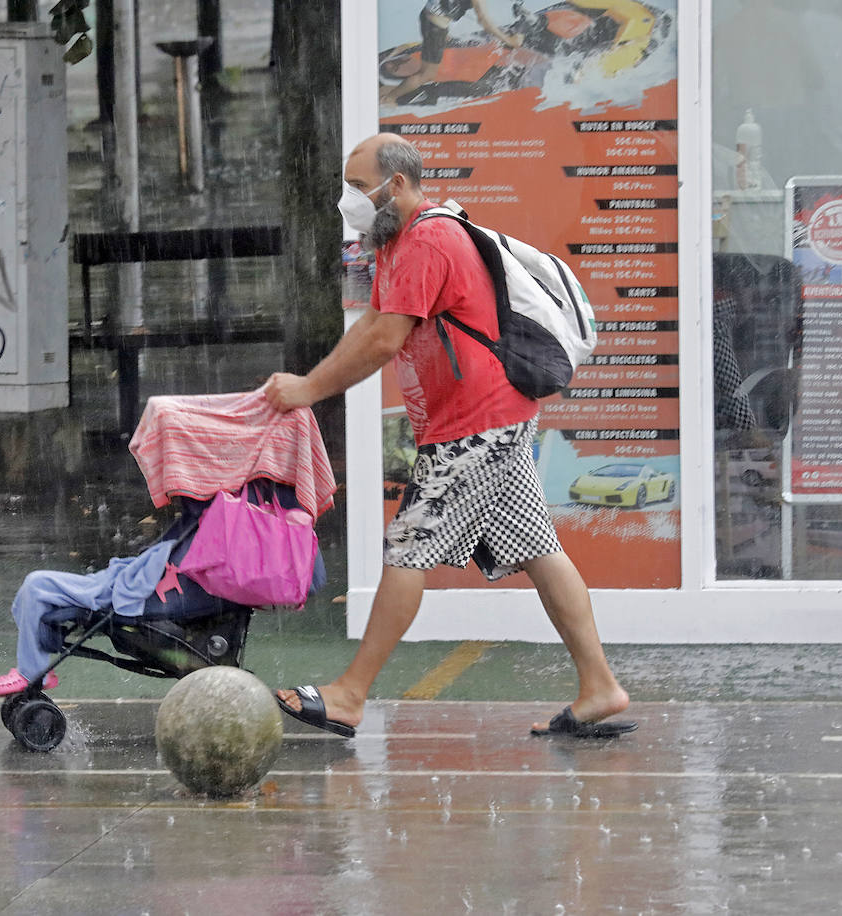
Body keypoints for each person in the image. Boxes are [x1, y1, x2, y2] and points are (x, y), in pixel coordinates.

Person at [264, 133, 635, 739]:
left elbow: (384, 341)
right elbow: (373, 329)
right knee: (540, 552)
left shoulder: (430, 239)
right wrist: (312, 381)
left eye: (359, 188)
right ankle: (599, 687)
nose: (349, 201)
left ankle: (350, 695)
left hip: (475, 424)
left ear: (399, 185)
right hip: (489, 418)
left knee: (410, 547)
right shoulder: (397, 242)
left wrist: (308, 388)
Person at [381, 0, 523, 107]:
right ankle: (390, 98)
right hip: (435, 29)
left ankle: (423, 53)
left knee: (441, 46)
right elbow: (484, 21)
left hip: (428, 17)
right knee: (426, 75)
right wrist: (509, 40)